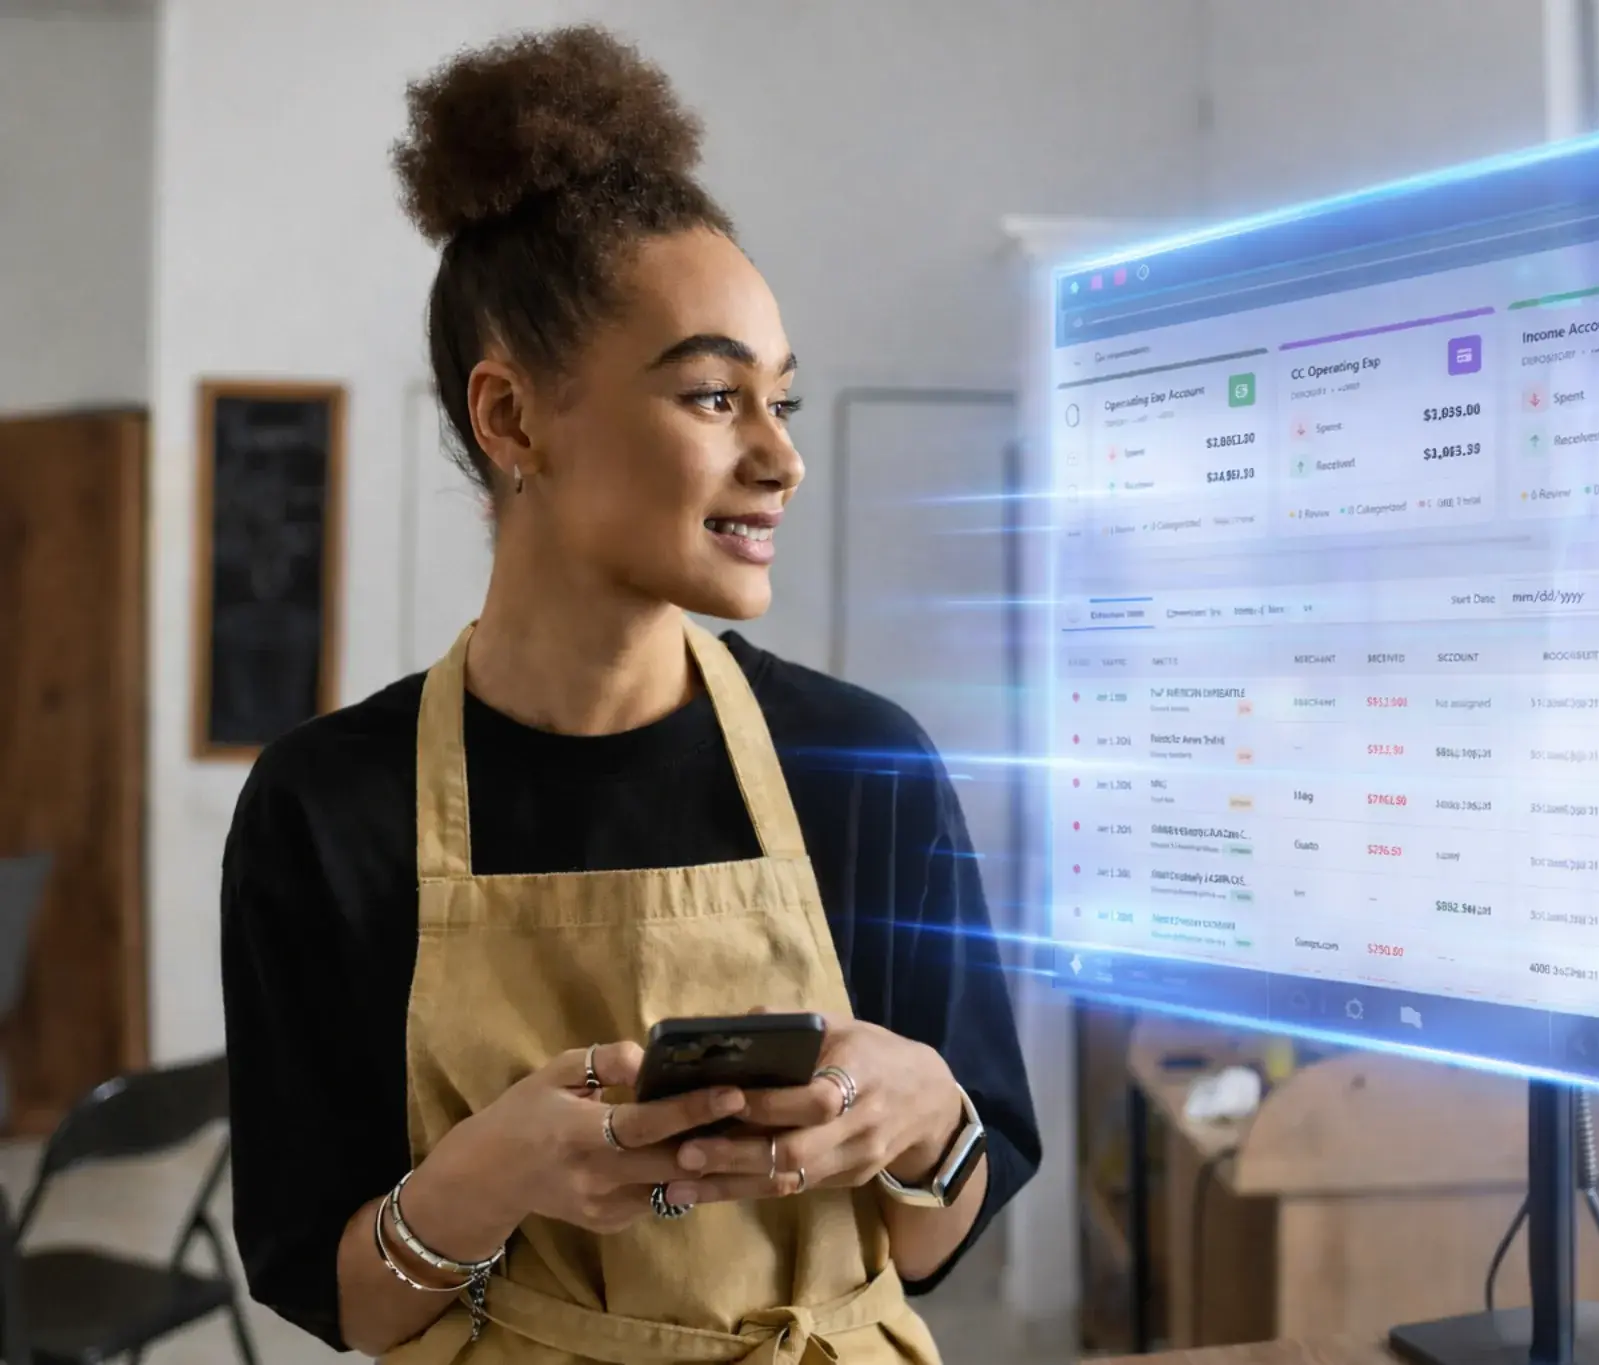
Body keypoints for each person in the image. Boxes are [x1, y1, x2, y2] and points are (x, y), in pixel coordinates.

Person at [218, 25, 1037, 1364]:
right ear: (513, 420)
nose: (781, 459)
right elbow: (348, 1301)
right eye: (717, 397)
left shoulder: (862, 763)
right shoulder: (326, 807)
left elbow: (937, 1247)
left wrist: (928, 1116)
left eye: (786, 401)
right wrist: (489, 1178)